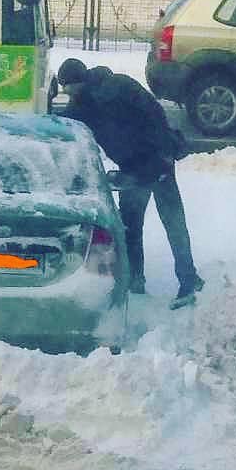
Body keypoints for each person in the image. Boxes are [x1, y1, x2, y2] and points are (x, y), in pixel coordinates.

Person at [57, 58, 204, 309]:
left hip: (158, 162)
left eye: (69, 88)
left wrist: (161, 156)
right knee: (133, 226)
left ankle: (187, 280)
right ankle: (138, 280)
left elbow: (155, 117)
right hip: (133, 168)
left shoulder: (117, 88)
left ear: (79, 82)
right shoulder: (83, 104)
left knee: (171, 223)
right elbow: (65, 128)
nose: (68, 94)